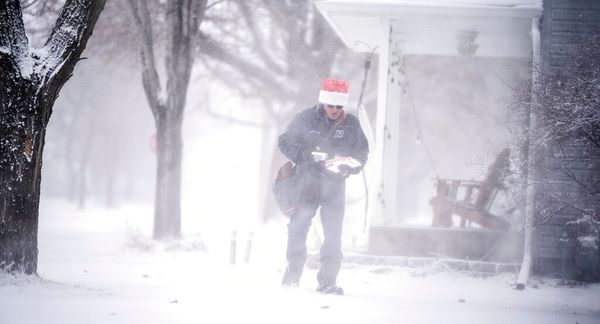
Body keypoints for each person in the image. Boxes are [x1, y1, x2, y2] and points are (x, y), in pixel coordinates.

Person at [278, 78, 369, 295]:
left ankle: (328, 282)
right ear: (323, 103)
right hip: (307, 183)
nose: (335, 110)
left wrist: (351, 167)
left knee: (333, 235)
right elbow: (284, 141)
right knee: (299, 227)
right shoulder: (305, 118)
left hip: (335, 186)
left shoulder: (352, 124)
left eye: (339, 106)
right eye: (331, 106)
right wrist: (304, 155)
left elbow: (362, 152)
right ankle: (294, 269)